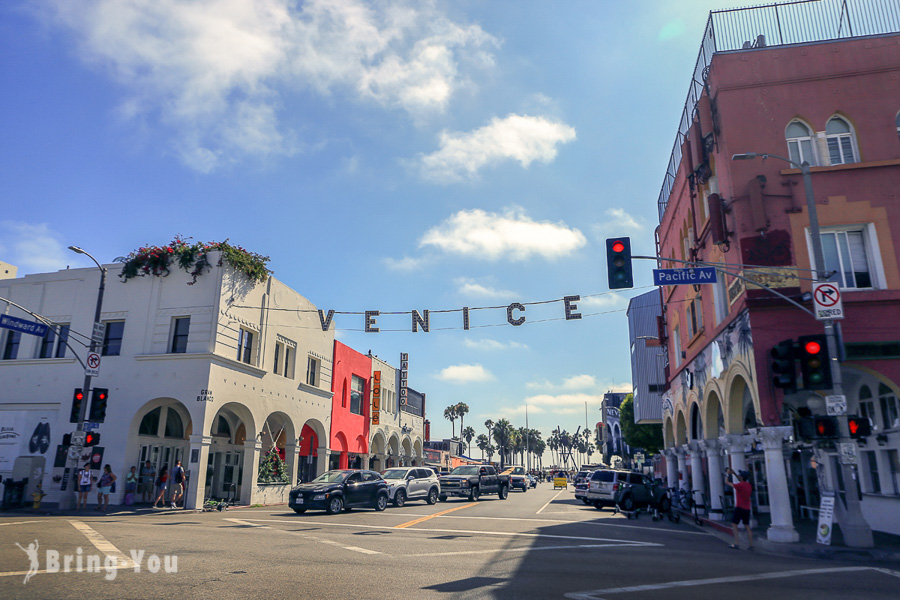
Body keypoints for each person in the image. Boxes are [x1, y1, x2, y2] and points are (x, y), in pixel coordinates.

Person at [726, 467, 754, 550]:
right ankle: (751, 545)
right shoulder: (748, 485)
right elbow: (740, 480)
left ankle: (736, 543)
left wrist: (728, 474)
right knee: (747, 526)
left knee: (734, 524)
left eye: (740, 475)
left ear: (742, 477)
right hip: (747, 508)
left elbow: (727, 482)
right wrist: (734, 473)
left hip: (739, 507)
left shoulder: (739, 485)